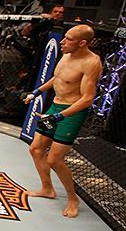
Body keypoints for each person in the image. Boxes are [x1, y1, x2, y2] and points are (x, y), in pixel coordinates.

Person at [22, 24, 102, 218]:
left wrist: (61, 115)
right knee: (35, 149)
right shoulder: (66, 55)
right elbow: (58, 79)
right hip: (55, 108)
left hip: (71, 113)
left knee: (55, 160)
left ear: (82, 43)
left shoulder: (91, 63)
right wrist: (37, 91)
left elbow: (87, 99)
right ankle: (47, 189)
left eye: (68, 39)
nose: (62, 42)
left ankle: (73, 199)